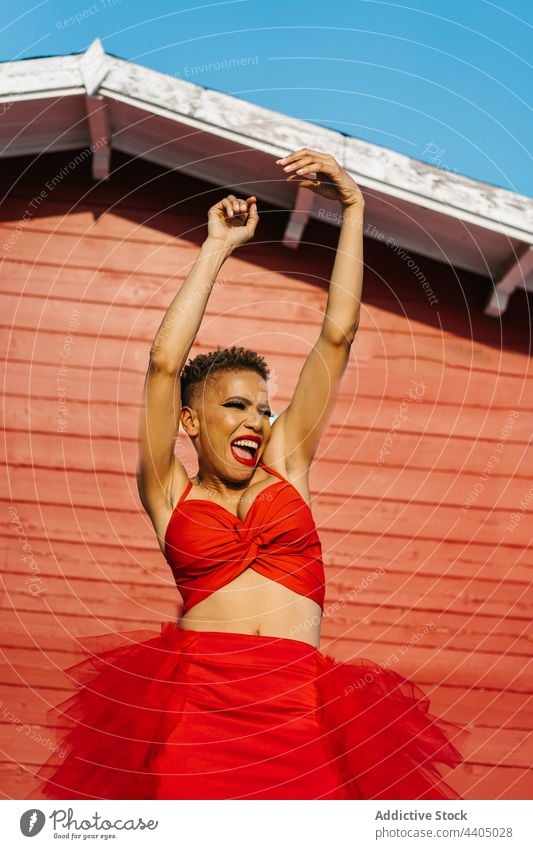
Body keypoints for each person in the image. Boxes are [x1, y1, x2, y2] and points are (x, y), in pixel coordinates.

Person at [32, 149, 466, 801]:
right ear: (189, 422)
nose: (257, 419)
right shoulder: (167, 491)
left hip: (302, 727)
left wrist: (352, 209)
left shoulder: (288, 461)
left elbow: (337, 335)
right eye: (234, 404)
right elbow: (160, 364)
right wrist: (216, 248)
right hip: (200, 735)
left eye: (263, 406)